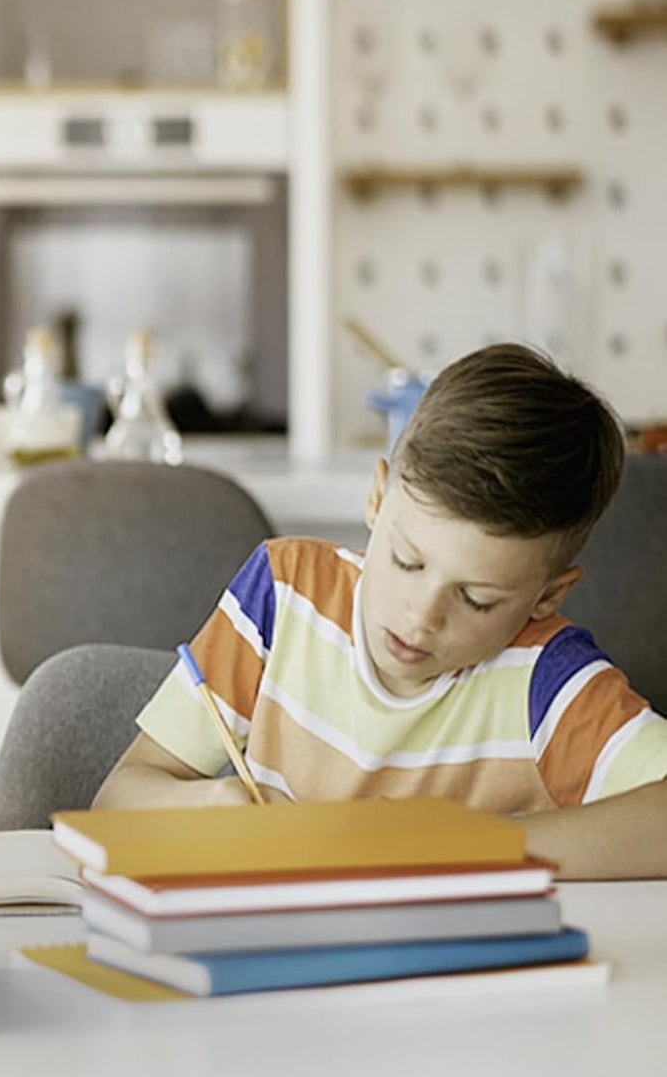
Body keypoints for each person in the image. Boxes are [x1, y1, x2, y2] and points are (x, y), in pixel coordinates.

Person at [92, 343, 667, 879]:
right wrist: (208, 806)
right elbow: (117, 801)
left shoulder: (547, 678)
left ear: (547, 596)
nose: (422, 616)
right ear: (377, 497)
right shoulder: (282, 595)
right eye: (407, 561)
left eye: (476, 600)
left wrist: (458, 847)